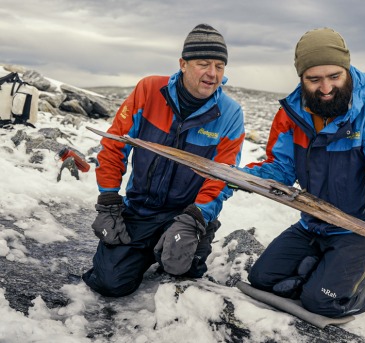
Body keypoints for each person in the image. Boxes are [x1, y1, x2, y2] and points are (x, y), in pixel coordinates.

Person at [244, 27, 365, 317]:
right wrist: (240, 177)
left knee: (321, 302)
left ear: (347, 71)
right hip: (314, 224)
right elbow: (281, 167)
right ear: (301, 79)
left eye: (334, 77)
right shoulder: (292, 115)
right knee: (263, 280)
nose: (325, 88)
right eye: (314, 79)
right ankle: (324, 268)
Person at [82, 24, 245, 297]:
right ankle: (147, 248)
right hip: (140, 209)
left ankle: (193, 237)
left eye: (219, 66)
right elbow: (114, 146)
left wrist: (196, 217)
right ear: (183, 64)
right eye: (203, 64)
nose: (212, 74)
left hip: (185, 213)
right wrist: (108, 202)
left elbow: (223, 176)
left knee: (181, 270)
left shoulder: (229, 113)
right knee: (110, 282)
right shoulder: (149, 90)